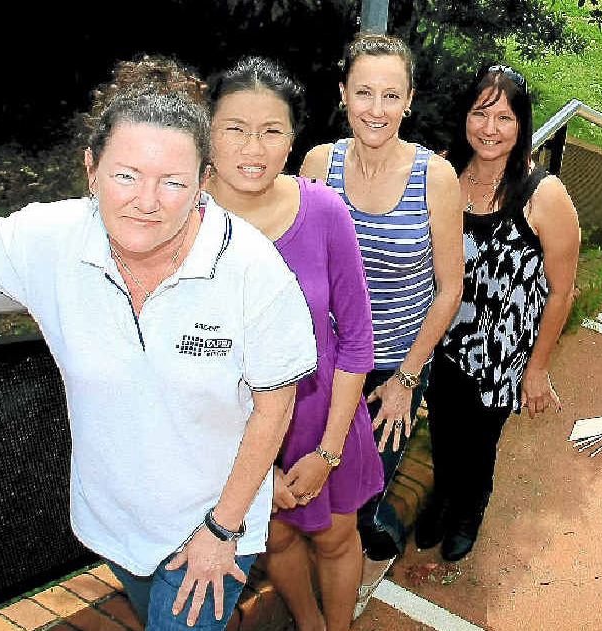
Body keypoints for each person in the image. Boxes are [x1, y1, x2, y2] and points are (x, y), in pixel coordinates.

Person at [0, 57, 318, 630]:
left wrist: (222, 529)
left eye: (173, 181)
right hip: (113, 522)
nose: (146, 201)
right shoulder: (50, 238)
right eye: (126, 174)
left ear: (204, 182)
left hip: (210, 528)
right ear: (91, 169)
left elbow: (275, 403)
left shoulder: (252, 270)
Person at [206, 56, 382, 631]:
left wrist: (328, 452)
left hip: (322, 416)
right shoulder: (183, 215)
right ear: (207, 131)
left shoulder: (325, 211)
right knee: (275, 537)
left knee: (336, 536)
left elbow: (357, 338)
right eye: (235, 128)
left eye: (271, 130)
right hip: (229, 428)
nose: (252, 147)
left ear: (292, 140)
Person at [299, 33, 463, 612]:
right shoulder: (319, 164)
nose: (376, 108)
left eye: (390, 95)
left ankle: (364, 563)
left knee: (359, 499)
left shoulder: (436, 178)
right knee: (308, 483)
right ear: (343, 93)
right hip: (323, 366)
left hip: (393, 366)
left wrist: (407, 380)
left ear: (410, 100)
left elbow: (450, 290)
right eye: (364, 92)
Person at [415, 63, 581, 562]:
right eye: (480, 113)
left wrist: (538, 369)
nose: (490, 128)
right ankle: (443, 498)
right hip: (442, 336)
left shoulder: (543, 195)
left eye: (504, 118)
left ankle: (470, 507)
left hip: (500, 352)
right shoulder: (445, 172)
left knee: (479, 439)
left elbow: (562, 292)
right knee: (443, 426)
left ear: (523, 125)